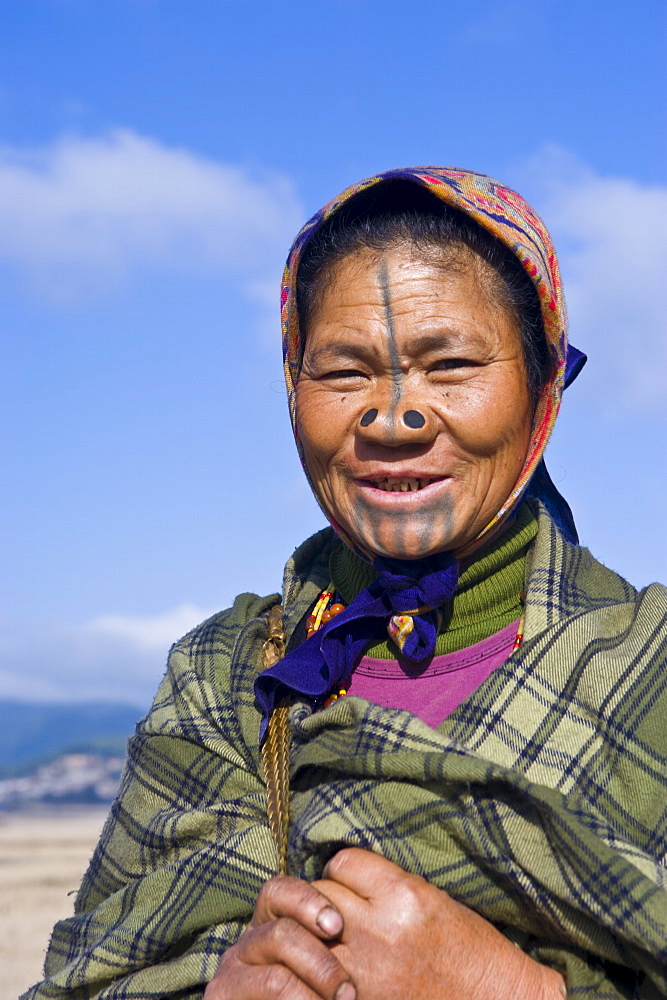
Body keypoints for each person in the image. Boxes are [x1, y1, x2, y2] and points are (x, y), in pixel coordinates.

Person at [24, 167, 667, 1000]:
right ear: (293, 391)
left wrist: (507, 989)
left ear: (543, 388)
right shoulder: (222, 679)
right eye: (343, 373)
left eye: (451, 365)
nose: (395, 419)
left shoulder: (647, 668)